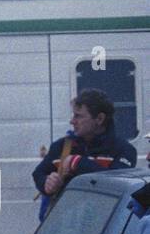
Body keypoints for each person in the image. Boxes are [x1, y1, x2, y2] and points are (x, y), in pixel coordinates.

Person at [33, 89, 137, 221]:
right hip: (67, 227)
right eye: (73, 116)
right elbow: (38, 173)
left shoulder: (123, 150)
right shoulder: (63, 147)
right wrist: (47, 183)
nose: (72, 121)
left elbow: (118, 183)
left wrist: (78, 163)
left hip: (105, 226)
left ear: (99, 119)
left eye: (78, 116)